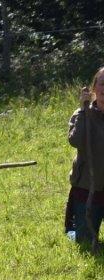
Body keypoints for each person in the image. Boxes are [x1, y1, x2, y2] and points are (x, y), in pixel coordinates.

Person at [66, 65, 104, 245]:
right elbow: (75, 141)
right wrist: (83, 110)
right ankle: (76, 230)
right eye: (102, 84)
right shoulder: (82, 114)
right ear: (94, 87)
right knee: (85, 241)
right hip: (88, 187)